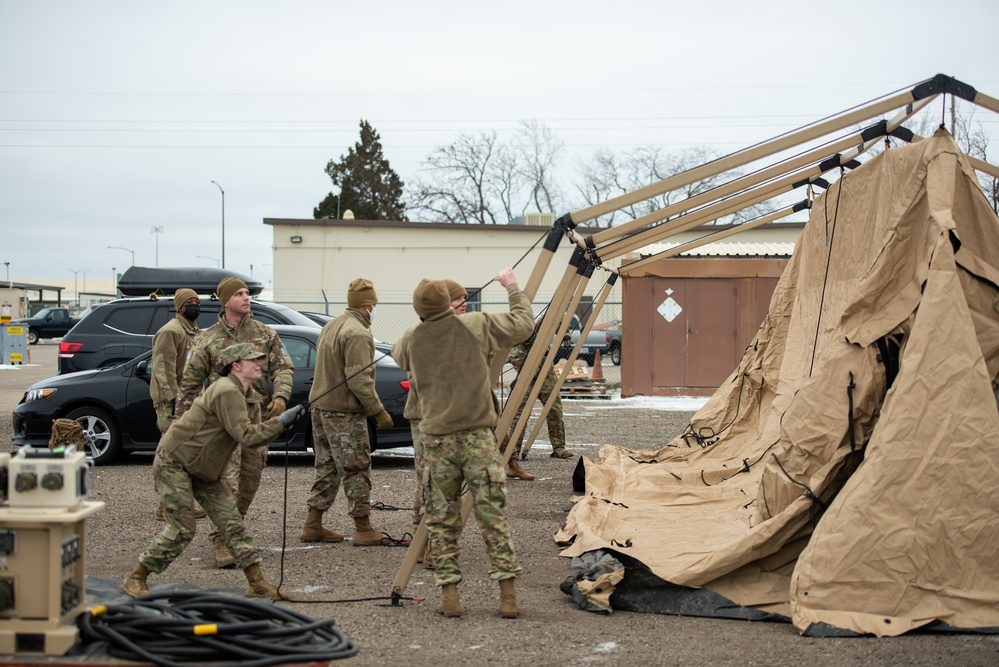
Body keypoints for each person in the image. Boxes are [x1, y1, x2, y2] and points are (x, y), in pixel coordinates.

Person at [393, 268, 534, 619]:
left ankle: (450, 597)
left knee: (440, 521)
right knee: (492, 517)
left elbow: (399, 354)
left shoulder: (412, 338)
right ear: (450, 303)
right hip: (478, 439)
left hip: (436, 443)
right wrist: (512, 288)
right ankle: (508, 597)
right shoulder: (474, 325)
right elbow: (523, 325)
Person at [121, 343, 305, 600]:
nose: (259, 365)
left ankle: (256, 582)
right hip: (175, 462)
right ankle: (135, 577)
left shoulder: (245, 392)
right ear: (236, 366)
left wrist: (280, 422)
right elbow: (247, 436)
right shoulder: (227, 390)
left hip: (204, 467)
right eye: (253, 360)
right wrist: (281, 422)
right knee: (183, 528)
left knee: (231, 523)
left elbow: (252, 432)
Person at [176, 277, 294, 568]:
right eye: (239, 294)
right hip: (221, 420)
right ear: (225, 301)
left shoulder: (265, 334)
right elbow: (189, 386)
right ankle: (221, 537)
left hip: (256, 417)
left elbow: (283, 367)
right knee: (226, 480)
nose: (246, 297)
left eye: (247, 293)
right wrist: (184, 427)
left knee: (249, 481)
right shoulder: (208, 338)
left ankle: (232, 527)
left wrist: (280, 397)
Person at [300, 278, 394, 546]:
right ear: (368, 305)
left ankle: (313, 523)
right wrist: (378, 411)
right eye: (374, 304)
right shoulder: (358, 333)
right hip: (343, 413)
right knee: (356, 468)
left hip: (320, 407)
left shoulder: (332, 325)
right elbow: (359, 379)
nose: (375, 309)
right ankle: (363, 528)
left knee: (327, 467)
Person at [150, 288, 207, 520]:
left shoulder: (193, 331)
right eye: (189, 302)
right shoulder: (171, 332)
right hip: (173, 403)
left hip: (191, 400)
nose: (194, 305)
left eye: (196, 301)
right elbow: (163, 369)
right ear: (179, 306)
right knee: (170, 452)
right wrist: (174, 399)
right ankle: (165, 506)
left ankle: (181, 502)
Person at [507, 339, 574, 462]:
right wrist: (539, 365)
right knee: (520, 414)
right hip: (527, 378)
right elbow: (524, 367)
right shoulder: (517, 351)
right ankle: (513, 449)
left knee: (554, 410)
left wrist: (565, 333)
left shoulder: (541, 333)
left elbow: (555, 320)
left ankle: (558, 448)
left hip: (547, 377)